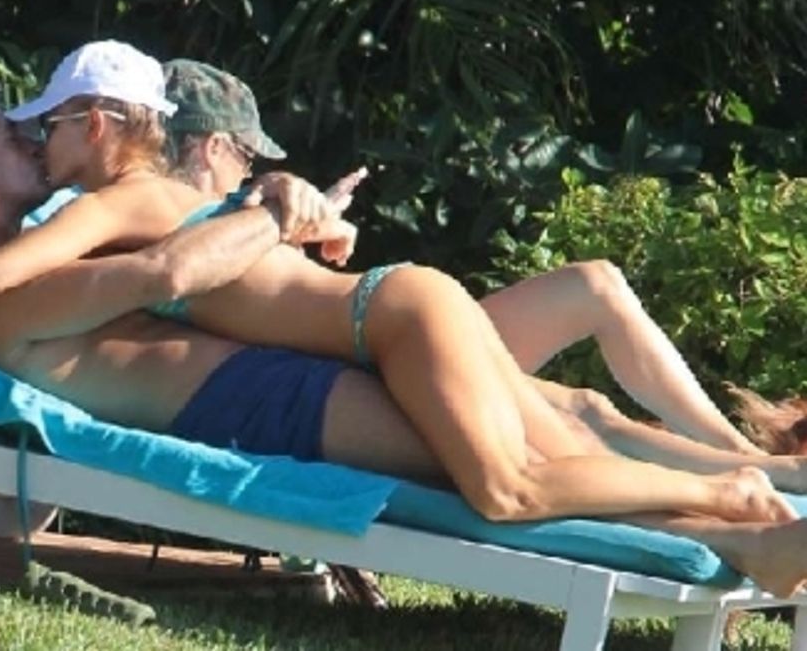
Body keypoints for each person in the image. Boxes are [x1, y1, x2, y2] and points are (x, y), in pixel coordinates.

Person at [0, 81, 807, 598]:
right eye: (7, 137)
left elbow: (169, 266)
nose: (30, 140)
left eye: (36, 127)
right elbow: (158, 275)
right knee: (548, 451)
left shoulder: (30, 252)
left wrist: (272, 203)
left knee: (522, 469)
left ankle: (740, 501)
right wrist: (276, 208)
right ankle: (753, 529)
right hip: (267, 395)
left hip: (286, 380)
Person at [159, 57, 760, 456]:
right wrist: (284, 211)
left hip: (398, 345)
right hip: (379, 371)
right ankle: (739, 476)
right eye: (246, 155)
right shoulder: (182, 229)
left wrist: (299, 218)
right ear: (212, 147)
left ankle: (742, 456)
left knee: (594, 291)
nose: (250, 169)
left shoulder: (230, 214)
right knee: (579, 410)